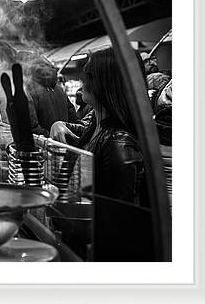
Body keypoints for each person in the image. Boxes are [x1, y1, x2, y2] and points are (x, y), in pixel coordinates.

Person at [50, 48, 153, 261]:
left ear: (106, 82)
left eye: (88, 74)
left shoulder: (119, 143)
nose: (80, 80)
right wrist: (59, 124)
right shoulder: (96, 124)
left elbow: (121, 223)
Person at [25, 56, 78, 136]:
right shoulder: (60, 90)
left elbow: (31, 125)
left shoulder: (30, 90)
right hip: (65, 143)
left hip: (45, 145)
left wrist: (50, 138)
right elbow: (72, 117)